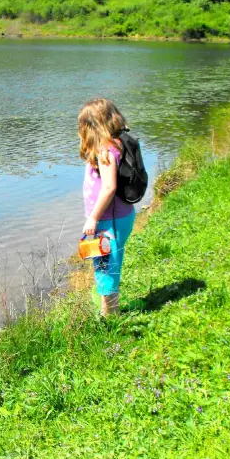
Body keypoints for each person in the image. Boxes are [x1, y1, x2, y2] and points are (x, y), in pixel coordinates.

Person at [78, 98, 136, 316]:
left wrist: (92, 218)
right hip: (118, 217)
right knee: (109, 264)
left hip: (109, 220)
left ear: (92, 127)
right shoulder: (116, 142)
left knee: (106, 267)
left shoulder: (105, 151)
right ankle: (111, 309)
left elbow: (109, 187)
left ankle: (110, 319)